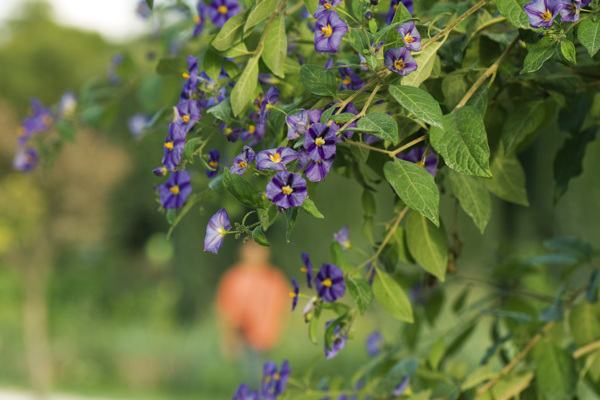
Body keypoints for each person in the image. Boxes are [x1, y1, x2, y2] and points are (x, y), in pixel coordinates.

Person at [215, 240, 290, 360]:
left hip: (269, 339)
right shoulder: (234, 278)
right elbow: (226, 310)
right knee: (253, 376)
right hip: (245, 339)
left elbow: (283, 305)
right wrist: (228, 337)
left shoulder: (274, 277)